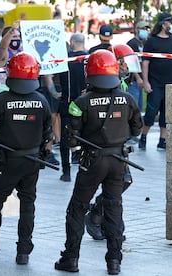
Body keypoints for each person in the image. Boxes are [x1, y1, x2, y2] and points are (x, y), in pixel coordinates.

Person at [54, 50, 143, 275]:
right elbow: (137, 129)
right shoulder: (128, 98)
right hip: (118, 160)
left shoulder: (80, 102)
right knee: (113, 208)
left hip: (92, 161)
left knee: (77, 208)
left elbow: (71, 137)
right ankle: (114, 261)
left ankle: (70, 259)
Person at [0, 52, 53, 265]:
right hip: (33, 161)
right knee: (28, 204)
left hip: (7, 161)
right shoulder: (42, 101)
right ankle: (23, 252)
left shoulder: (0, 101)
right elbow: (48, 134)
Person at [138, 12, 172, 151]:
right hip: (156, 83)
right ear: (162, 24)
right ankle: (143, 136)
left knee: (167, 113)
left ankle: (162, 139)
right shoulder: (152, 41)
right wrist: (146, 81)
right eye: (169, 23)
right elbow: (145, 63)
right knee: (151, 112)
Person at [58, 33, 88, 182]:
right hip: (86, 104)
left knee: (65, 138)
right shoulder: (89, 59)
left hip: (68, 103)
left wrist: (53, 92)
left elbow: (49, 78)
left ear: (72, 43)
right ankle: (86, 167)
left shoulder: (65, 60)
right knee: (87, 136)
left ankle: (66, 172)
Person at [126, 21, 150, 112]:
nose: (145, 31)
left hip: (141, 79)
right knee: (133, 106)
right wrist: (138, 78)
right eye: (143, 29)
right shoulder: (131, 44)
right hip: (133, 80)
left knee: (139, 107)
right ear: (136, 30)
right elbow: (130, 62)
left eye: (146, 29)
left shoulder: (144, 43)